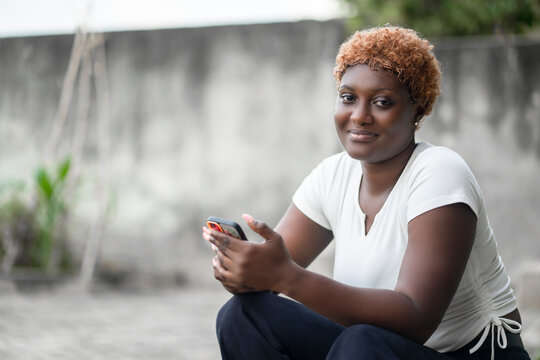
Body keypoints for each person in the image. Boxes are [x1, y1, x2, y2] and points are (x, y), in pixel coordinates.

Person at [202, 25, 531, 359]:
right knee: (242, 315)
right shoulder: (332, 175)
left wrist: (288, 278)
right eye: (348, 98)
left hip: (472, 354)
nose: (359, 116)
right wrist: (243, 271)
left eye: (381, 102)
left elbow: (417, 318)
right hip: (371, 349)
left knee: (360, 342)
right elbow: (272, 274)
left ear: (417, 110)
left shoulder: (439, 172)